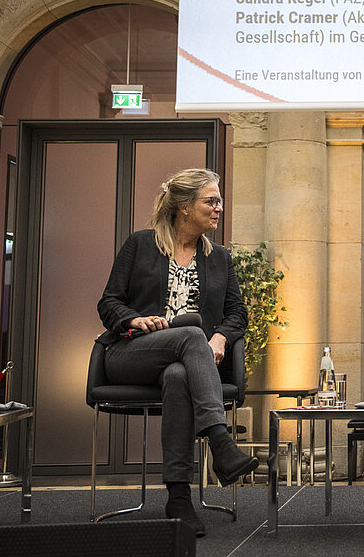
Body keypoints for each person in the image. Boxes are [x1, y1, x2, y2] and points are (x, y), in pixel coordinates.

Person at [96, 168, 257, 537]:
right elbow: (109, 302)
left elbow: (237, 314)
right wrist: (135, 321)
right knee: (189, 336)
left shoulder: (220, 258)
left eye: (220, 201)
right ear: (184, 207)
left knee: (179, 374)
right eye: (211, 201)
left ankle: (179, 498)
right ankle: (220, 441)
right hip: (131, 354)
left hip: (187, 362)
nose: (219, 208)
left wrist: (219, 339)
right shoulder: (140, 244)